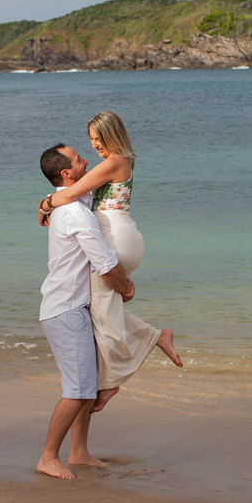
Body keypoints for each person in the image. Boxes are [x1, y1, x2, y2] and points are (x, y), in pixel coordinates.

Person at [39, 111, 180, 413]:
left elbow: (70, 193)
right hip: (121, 235)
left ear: (109, 135)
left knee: (102, 315)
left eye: (96, 139)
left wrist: (43, 205)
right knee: (101, 307)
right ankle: (157, 337)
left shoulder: (114, 162)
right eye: (90, 141)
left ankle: (111, 380)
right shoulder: (117, 162)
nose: (93, 147)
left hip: (116, 239)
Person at [36, 143, 136, 479]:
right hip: (65, 309)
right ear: (67, 173)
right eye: (80, 161)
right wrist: (126, 288)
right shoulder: (76, 213)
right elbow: (105, 263)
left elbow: (75, 194)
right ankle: (49, 456)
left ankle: (79, 452)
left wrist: (44, 202)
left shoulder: (76, 201)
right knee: (78, 390)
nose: (87, 162)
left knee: (87, 386)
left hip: (72, 306)